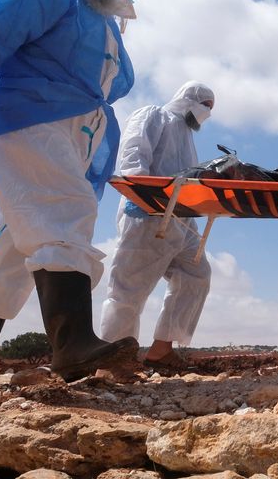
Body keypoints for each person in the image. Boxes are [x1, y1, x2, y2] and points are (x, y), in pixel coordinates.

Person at [0, 0, 139, 382]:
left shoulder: (108, 23)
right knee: (64, 209)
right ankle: (72, 343)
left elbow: (113, 85)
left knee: (13, 247)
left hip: (71, 130)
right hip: (30, 117)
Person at [101, 81, 215, 370]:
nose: (207, 113)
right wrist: (140, 193)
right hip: (147, 216)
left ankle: (161, 349)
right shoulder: (154, 115)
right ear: (188, 98)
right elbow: (134, 152)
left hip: (180, 223)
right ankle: (114, 359)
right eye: (205, 105)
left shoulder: (188, 138)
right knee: (129, 290)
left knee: (196, 273)